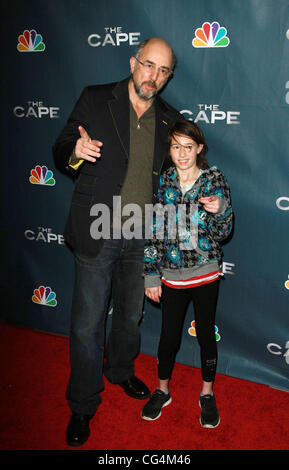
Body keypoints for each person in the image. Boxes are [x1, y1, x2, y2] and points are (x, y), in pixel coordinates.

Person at [53, 38, 184, 446]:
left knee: (130, 316)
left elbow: (174, 180)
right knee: (88, 323)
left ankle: (121, 372)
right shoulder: (95, 99)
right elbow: (60, 151)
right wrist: (75, 151)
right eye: (148, 66)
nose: (154, 77)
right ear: (133, 62)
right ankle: (82, 404)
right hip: (98, 228)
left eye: (163, 71)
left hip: (141, 235)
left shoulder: (169, 119)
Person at [141, 120, 233, 428]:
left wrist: (219, 208)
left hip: (205, 273)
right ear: (170, 149)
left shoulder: (213, 178)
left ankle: (206, 394)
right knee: (168, 337)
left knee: (206, 334)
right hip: (171, 275)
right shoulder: (166, 179)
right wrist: (151, 275)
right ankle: (162, 389)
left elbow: (223, 232)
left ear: (199, 149)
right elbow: (154, 230)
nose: (182, 154)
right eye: (176, 147)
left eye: (188, 147)